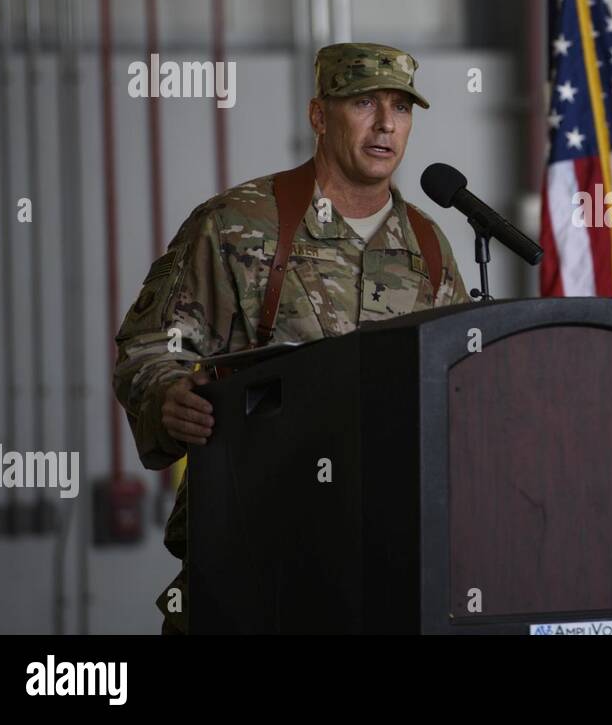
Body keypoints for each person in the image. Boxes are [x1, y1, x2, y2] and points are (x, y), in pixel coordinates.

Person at [113, 42, 470, 633]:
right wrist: (168, 395)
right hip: (253, 559)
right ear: (318, 115)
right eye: (364, 103)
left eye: (402, 109)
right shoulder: (239, 222)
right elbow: (150, 346)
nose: (386, 124)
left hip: (388, 569)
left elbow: (456, 387)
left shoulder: (428, 246)